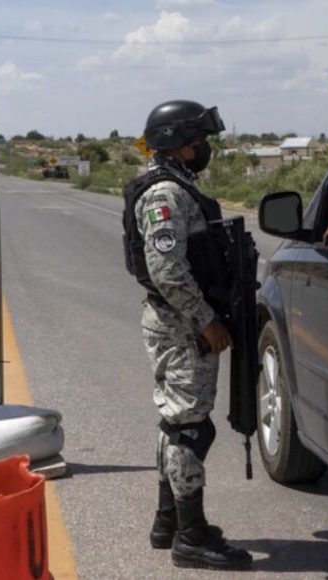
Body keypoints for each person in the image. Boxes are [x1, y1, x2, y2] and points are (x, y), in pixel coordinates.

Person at [121, 100, 252, 570]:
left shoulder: (176, 187)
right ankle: (191, 536)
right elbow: (167, 271)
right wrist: (206, 320)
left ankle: (168, 522)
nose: (205, 149)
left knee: (177, 424)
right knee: (190, 429)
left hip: (178, 325)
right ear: (175, 144)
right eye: (199, 142)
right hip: (182, 329)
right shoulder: (165, 195)